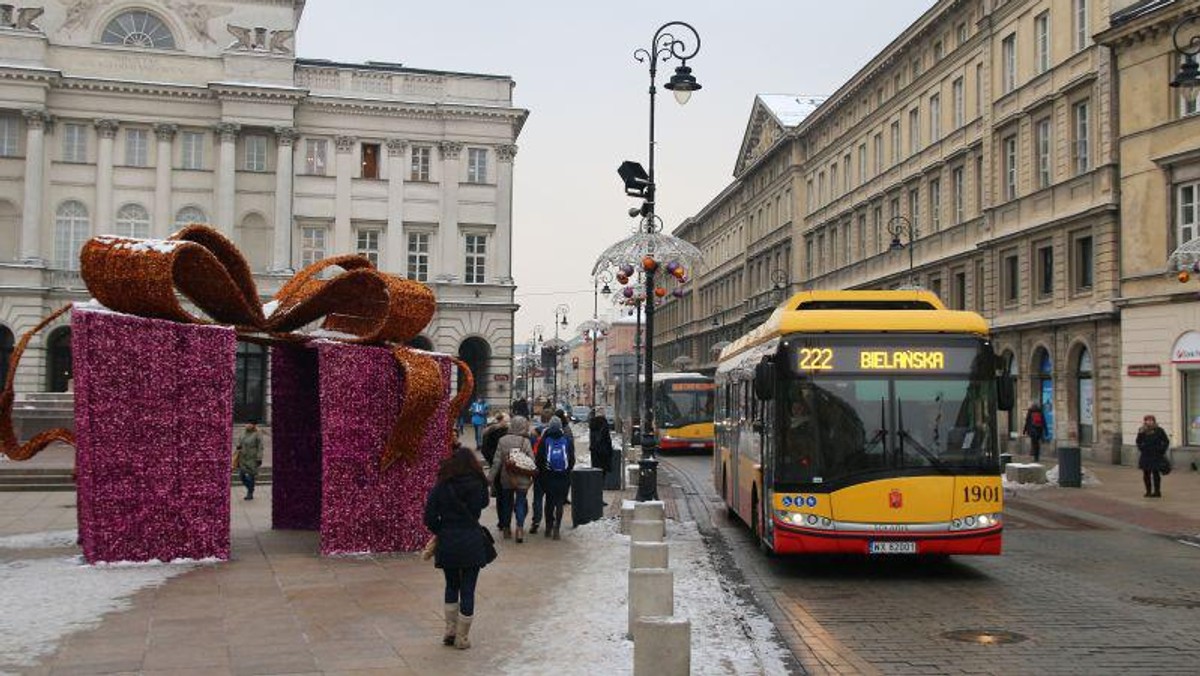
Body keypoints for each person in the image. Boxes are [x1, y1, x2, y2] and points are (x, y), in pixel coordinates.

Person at [423, 446, 490, 650]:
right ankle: (462, 637)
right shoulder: (478, 483)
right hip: (471, 539)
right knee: (468, 589)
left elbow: (428, 517)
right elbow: (485, 504)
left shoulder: (443, 484)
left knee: (452, 585)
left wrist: (441, 530)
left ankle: (450, 630)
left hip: (449, 541)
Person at [488, 416, 536, 542]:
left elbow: (496, 462)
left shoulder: (502, 440)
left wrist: (490, 478)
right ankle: (519, 530)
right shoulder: (525, 442)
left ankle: (506, 529)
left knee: (506, 503)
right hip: (523, 478)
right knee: (520, 502)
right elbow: (532, 460)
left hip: (507, 477)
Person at [535, 417, 576, 540]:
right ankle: (557, 528)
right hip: (563, 477)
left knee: (549, 502)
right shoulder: (567, 440)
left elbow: (539, 460)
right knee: (559, 503)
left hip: (548, 476)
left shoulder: (544, 440)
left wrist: (543, 473)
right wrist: (567, 471)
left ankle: (548, 527)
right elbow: (572, 460)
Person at [1136, 414, 1170, 498]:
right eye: (1147, 420)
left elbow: (1166, 441)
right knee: (1146, 474)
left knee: (1156, 474)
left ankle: (1157, 492)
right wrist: (1142, 448)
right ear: (1145, 421)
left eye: (1151, 420)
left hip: (1156, 454)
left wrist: (1161, 450)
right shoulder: (1142, 430)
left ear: (1154, 421)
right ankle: (1148, 491)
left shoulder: (1159, 430)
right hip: (1146, 455)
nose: (1149, 422)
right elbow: (1138, 441)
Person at [235, 422, 264, 500]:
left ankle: (250, 493)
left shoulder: (257, 434)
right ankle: (251, 488)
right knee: (241, 476)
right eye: (247, 424)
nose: (248, 425)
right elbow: (239, 442)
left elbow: (260, 447)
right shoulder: (243, 433)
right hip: (243, 458)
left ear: (254, 425)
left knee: (251, 476)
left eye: (250, 424)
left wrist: (259, 458)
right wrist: (238, 446)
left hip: (252, 458)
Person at [588, 409, 615, 480]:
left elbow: (592, 439)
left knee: (596, 472)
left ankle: (596, 488)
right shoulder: (604, 424)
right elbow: (607, 440)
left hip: (594, 452)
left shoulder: (592, 425)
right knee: (603, 473)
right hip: (604, 453)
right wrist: (610, 452)